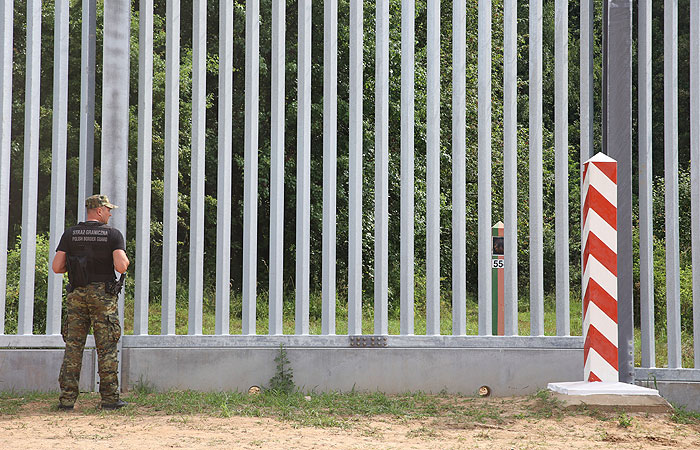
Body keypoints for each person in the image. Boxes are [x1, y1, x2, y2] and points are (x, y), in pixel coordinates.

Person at [52, 194, 130, 410]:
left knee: (73, 347)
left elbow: (57, 267)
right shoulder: (112, 235)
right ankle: (109, 400)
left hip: (76, 295)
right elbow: (121, 266)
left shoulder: (70, 234)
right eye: (108, 209)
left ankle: (67, 401)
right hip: (102, 297)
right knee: (106, 347)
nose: (110, 213)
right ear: (98, 210)